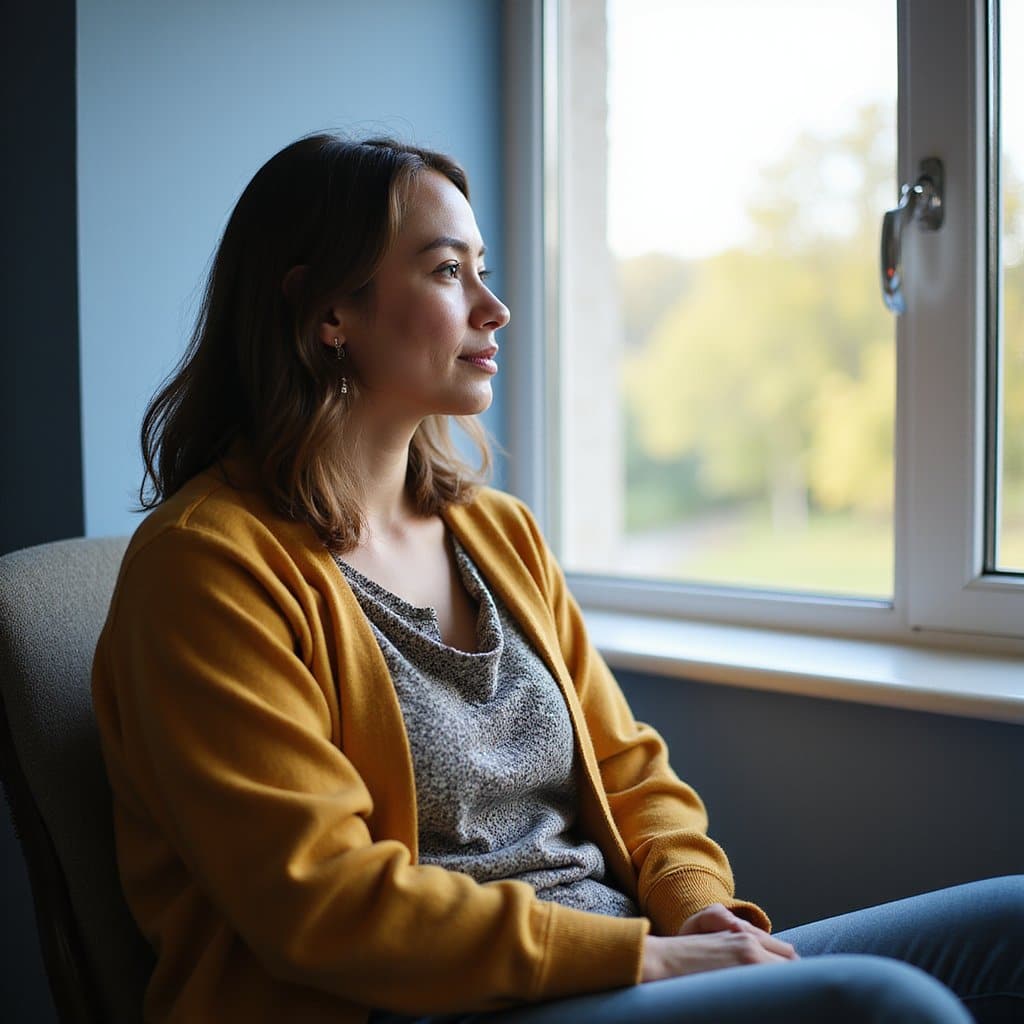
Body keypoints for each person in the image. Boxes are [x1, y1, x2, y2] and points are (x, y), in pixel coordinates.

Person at [92, 133, 1022, 1024]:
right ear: (327, 312)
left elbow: (628, 771)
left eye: (481, 269)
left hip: (632, 968)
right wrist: (646, 959)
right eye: (449, 271)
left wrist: (694, 909)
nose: (492, 309)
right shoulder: (206, 570)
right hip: (420, 1009)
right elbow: (322, 903)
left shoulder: (498, 534)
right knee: (883, 1008)